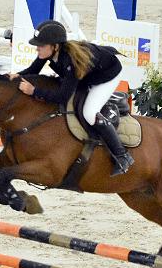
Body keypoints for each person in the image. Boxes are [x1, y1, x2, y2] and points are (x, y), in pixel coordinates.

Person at [8, 20, 134, 176]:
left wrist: (34, 91)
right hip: (87, 74)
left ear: (55, 46)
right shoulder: (50, 52)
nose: (37, 48)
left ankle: (122, 156)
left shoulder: (71, 60)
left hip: (107, 75)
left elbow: (62, 97)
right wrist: (17, 75)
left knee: (89, 114)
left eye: (41, 45)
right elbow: (33, 69)